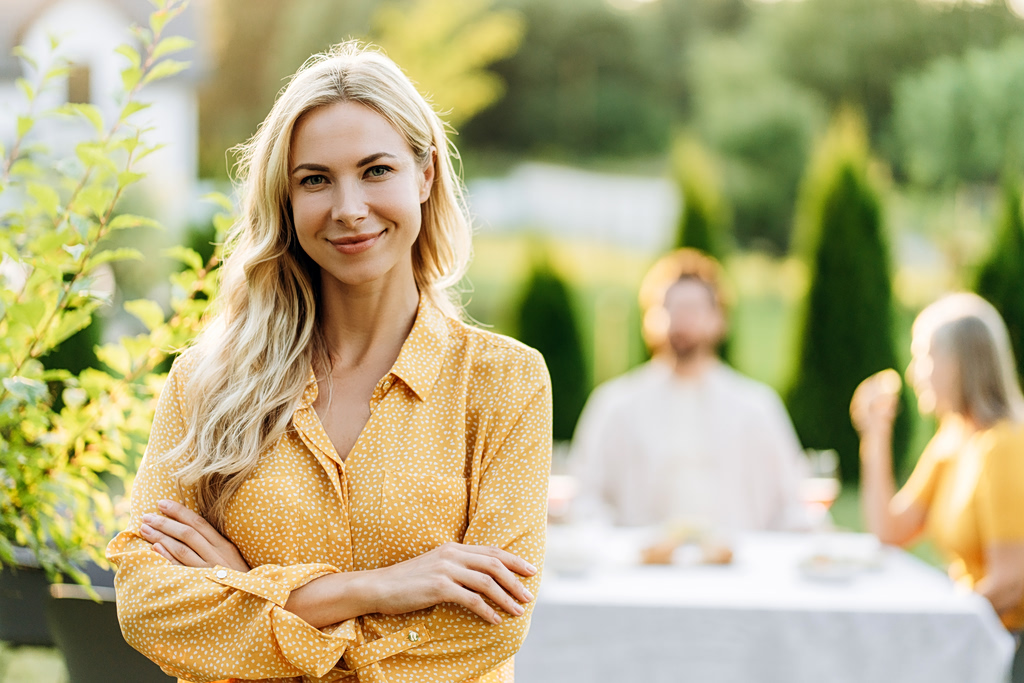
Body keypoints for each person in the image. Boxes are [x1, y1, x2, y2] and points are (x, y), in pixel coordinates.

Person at [106, 42, 552, 683]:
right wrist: (374, 589)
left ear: (424, 174)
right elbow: (148, 606)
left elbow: (490, 626)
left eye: (376, 171)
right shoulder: (206, 385)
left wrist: (250, 592)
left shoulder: (505, 383)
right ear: (284, 200)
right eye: (315, 179)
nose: (348, 208)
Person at [570, 249, 808, 536]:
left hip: (737, 572)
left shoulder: (756, 406)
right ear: (650, 318)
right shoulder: (615, 404)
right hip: (642, 573)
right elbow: (585, 499)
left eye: (693, 308)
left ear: (720, 320)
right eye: (670, 307)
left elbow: (791, 505)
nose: (681, 319)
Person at [851, 292, 1024, 679]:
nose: (915, 373)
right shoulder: (953, 439)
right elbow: (890, 531)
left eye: (925, 357)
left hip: (1009, 648)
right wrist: (875, 436)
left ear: (962, 363)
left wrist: (936, 623)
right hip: (976, 635)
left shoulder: (1006, 446)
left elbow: (1012, 582)